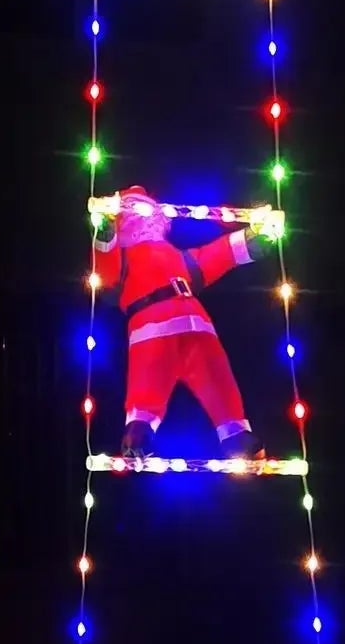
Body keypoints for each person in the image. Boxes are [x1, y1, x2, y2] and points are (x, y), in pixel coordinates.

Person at [91, 186, 268, 458]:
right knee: (148, 379)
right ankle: (138, 433)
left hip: (198, 325)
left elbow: (214, 256)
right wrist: (105, 230)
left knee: (217, 376)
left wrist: (254, 237)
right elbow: (106, 270)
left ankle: (235, 435)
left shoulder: (178, 256)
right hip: (151, 325)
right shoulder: (125, 257)